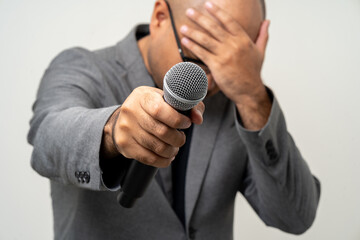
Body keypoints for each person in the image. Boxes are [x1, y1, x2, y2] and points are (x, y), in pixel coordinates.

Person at [28, 0, 321, 239]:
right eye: (200, 59)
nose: (214, 83)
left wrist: (253, 94)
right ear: (159, 17)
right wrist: (112, 130)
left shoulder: (238, 97)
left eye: (232, 62)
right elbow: (47, 140)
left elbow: (295, 215)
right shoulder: (84, 67)